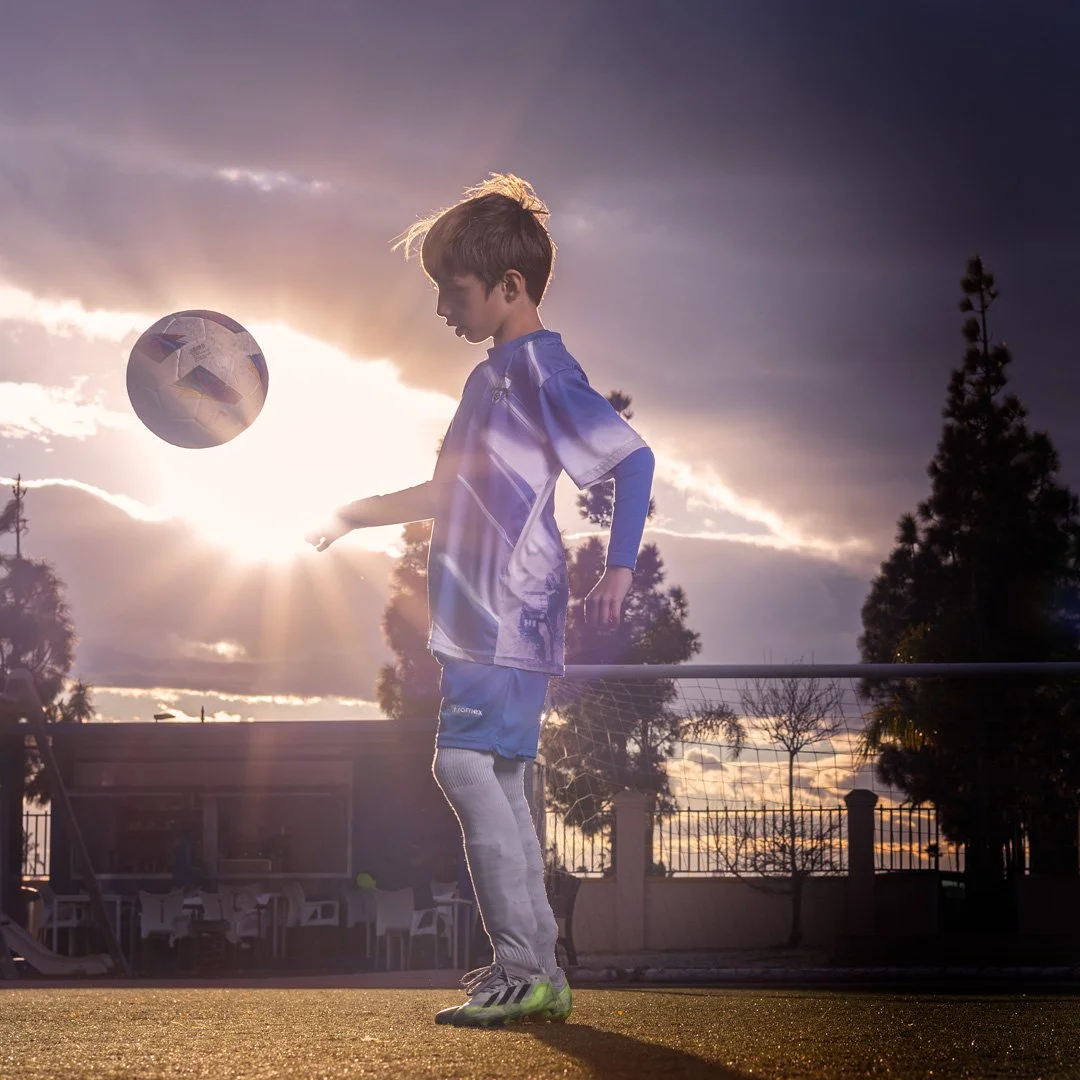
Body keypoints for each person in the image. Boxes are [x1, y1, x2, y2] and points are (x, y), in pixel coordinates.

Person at [307, 174, 654, 1028]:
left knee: (460, 766)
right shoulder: (489, 378)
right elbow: (446, 492)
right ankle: (540, 972)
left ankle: (525, 967)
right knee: (500, 776)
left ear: (509, 287)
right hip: (484, 618)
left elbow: (632, 459)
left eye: (451, 290)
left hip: (506, 611)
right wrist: (356, 513)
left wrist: (618, 569)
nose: (440, 308)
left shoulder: (537, 366)